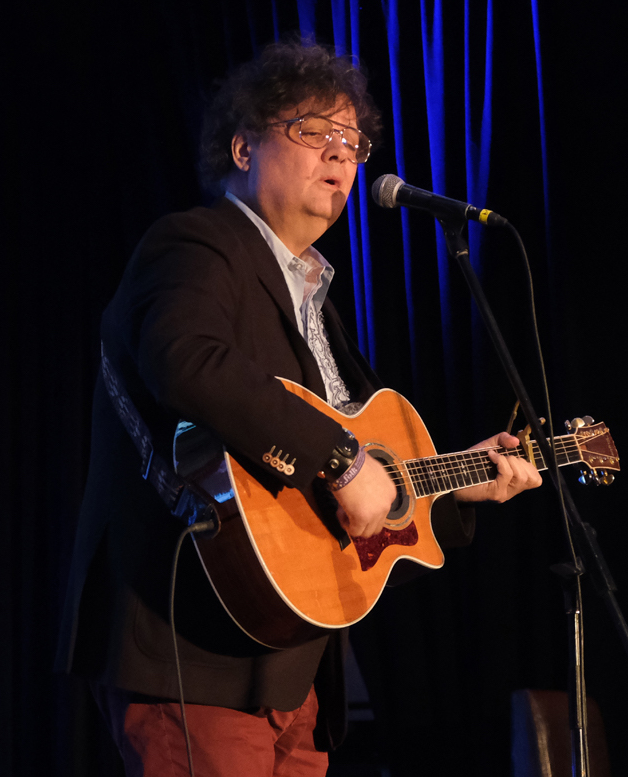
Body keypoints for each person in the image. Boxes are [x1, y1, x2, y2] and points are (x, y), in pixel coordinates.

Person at [56, 40, 542, 777]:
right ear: (243, 146)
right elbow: (186, 362)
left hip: (294, 663)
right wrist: (343, 459)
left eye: (353, 140)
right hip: (195, 648)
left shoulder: (317, 298)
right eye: (314, 131)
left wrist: (454, 482)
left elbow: (345, 496)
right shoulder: (195, 243)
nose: (342, 156)